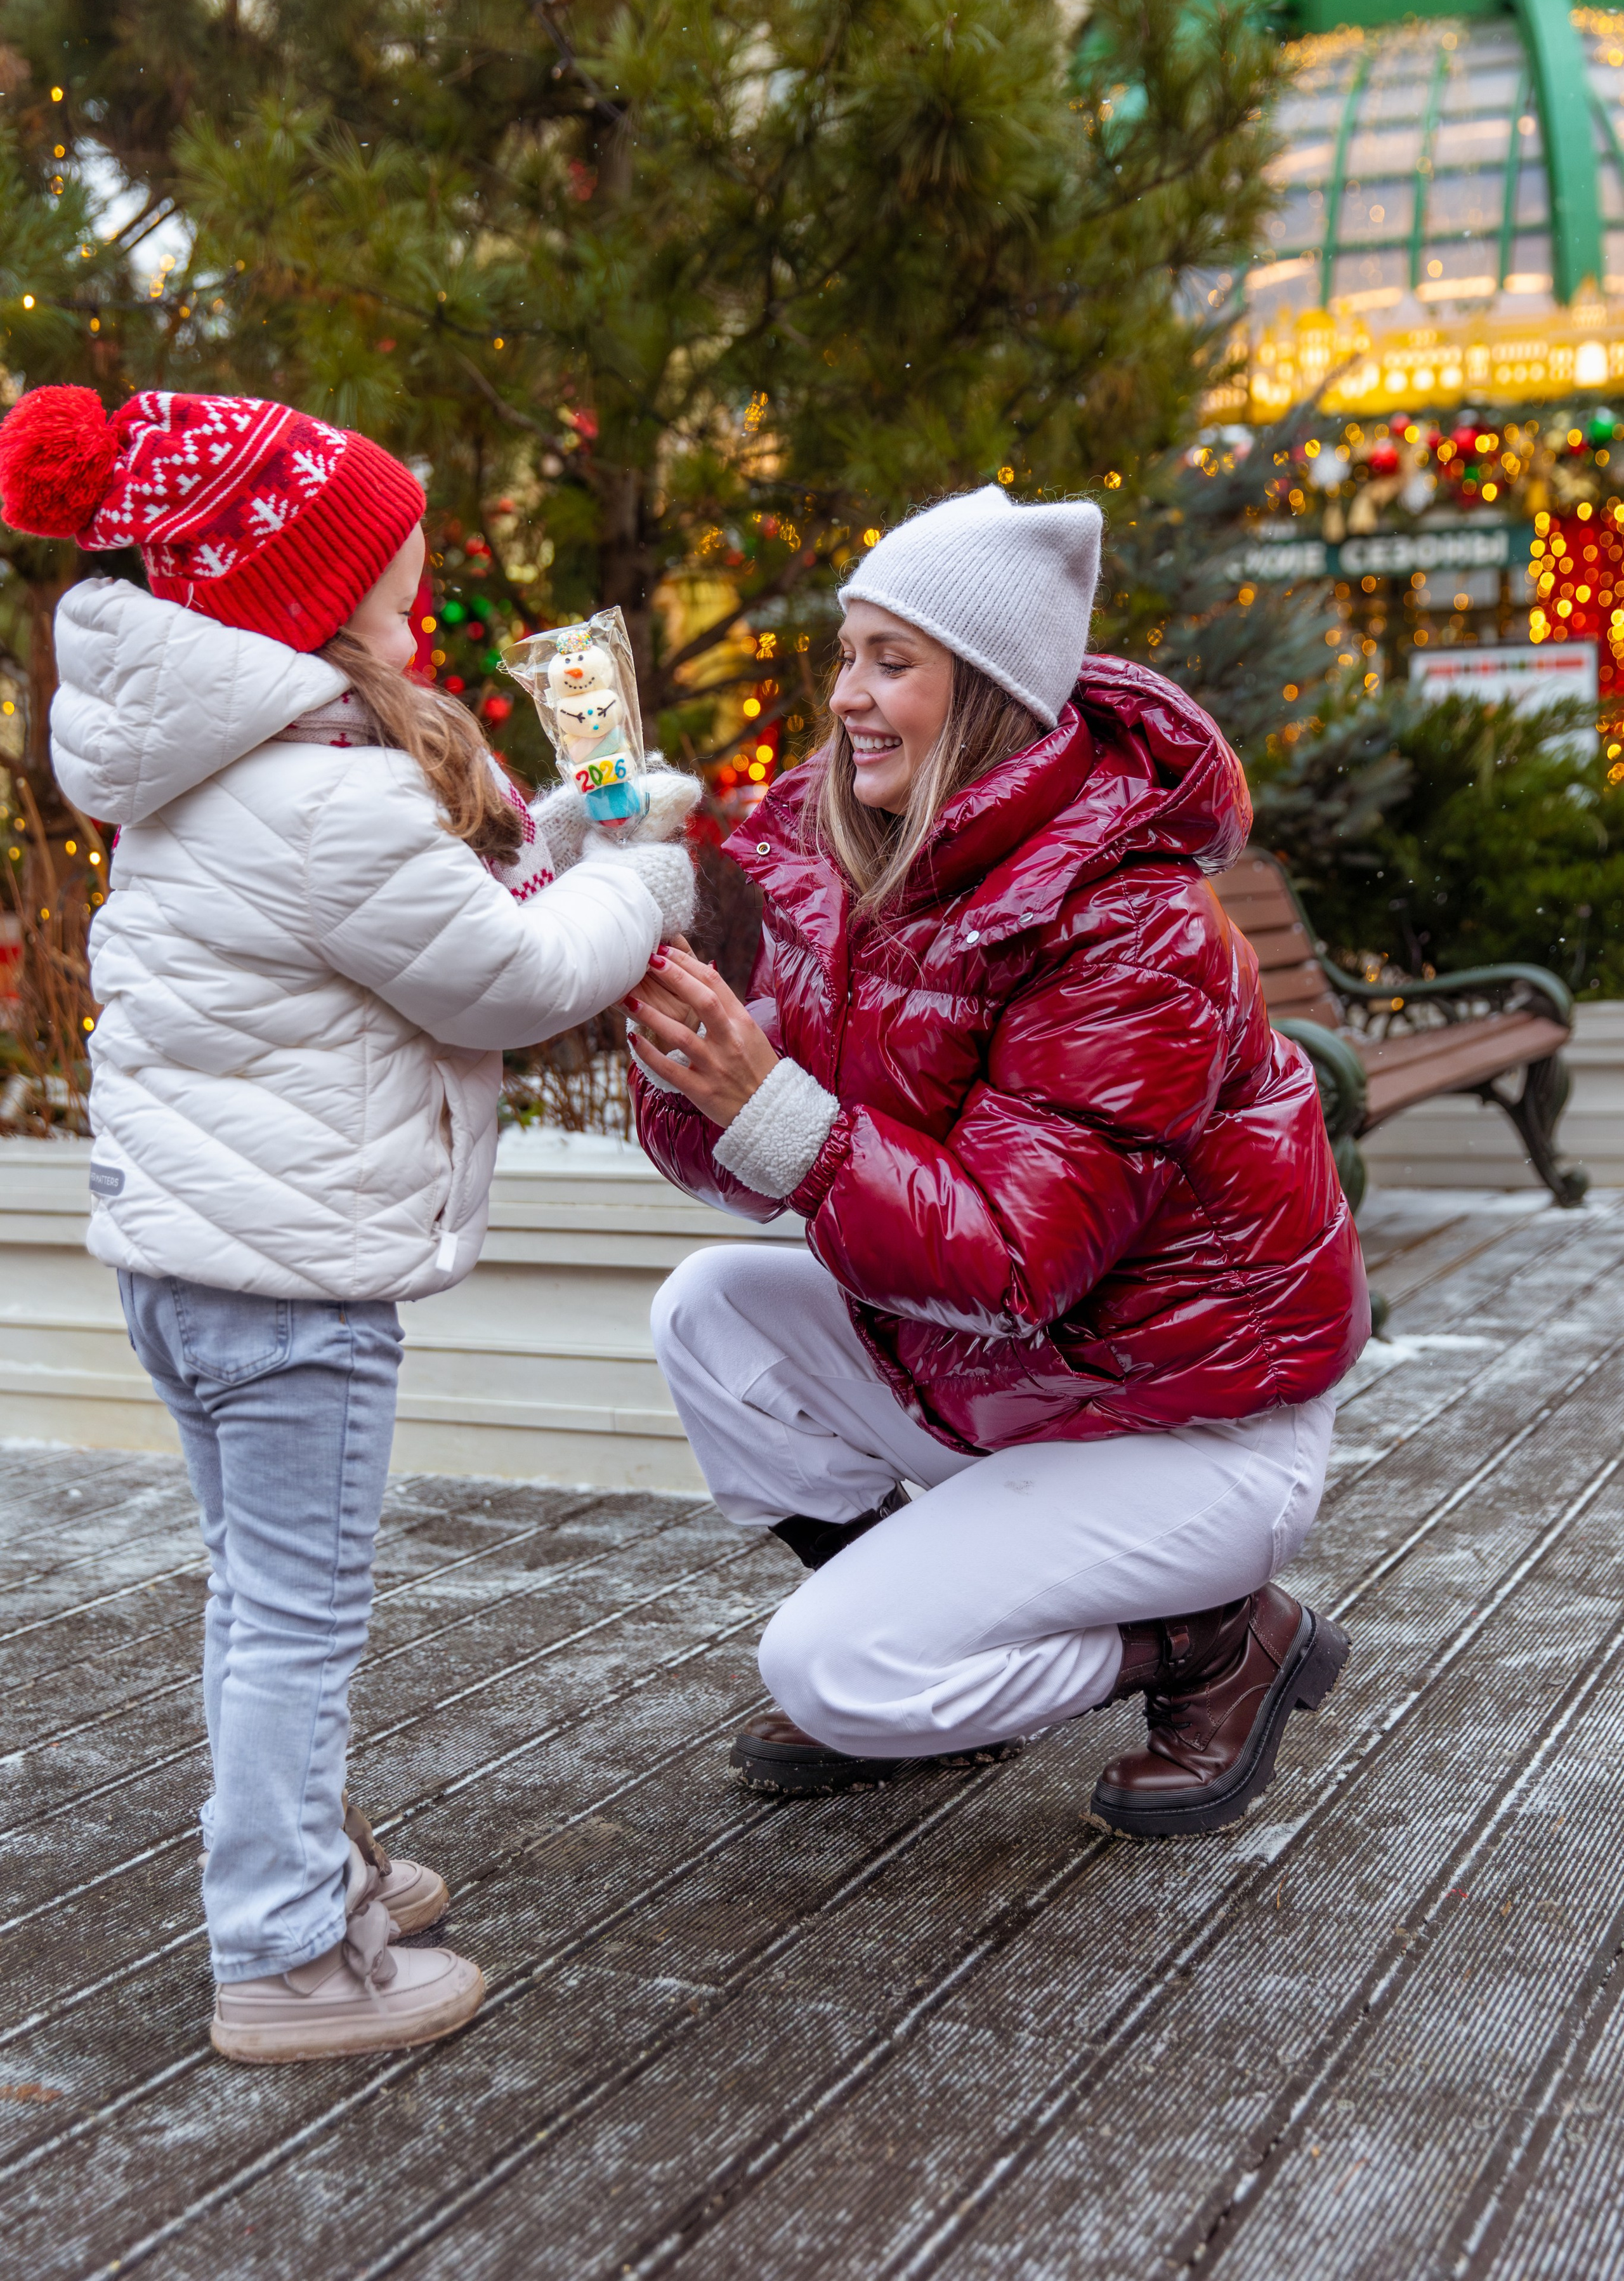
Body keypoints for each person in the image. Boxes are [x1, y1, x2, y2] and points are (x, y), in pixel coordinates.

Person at [0, 384, 696, 2056]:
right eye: (387, 556)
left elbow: (418, 939)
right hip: (289, 1285)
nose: (417, 579)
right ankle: (285, 1958)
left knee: (259, 1598)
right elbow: (519, 981)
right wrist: (647, 878)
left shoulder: (213, 770)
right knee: (298, 1623)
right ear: (299, 591)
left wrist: (571, 842)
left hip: (191, 1262)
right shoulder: (328, 794)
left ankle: (297, 1867)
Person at [628, 484, 1368, 1841]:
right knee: (707, 1313)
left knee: (826, 1663)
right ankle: (934, 1674)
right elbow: (739, 1160)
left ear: (983, 695)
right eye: (844, 655)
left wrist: (774, 1106)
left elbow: (1021, 1257)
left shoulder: (1130, 923)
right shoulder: (837, 854)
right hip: (1006, 1383)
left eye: (889, 661)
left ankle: (1209, 1644)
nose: (846, 695)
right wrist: (673, 1017)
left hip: (1181, 1426)